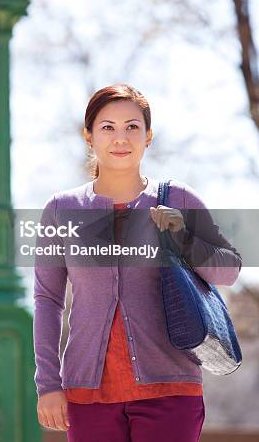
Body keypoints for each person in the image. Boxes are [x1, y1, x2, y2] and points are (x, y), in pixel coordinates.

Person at [33, 84, 242, 442]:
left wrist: (183, 239)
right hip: (88, 394)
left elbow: (229, 270)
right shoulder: (61, 210)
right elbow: (47, 300)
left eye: (132, 127)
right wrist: (48, 383)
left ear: (148, 137)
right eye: (107, 127)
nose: (121, 138)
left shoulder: (177, 197)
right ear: (89, 136)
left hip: (172, 391)